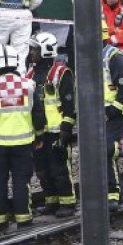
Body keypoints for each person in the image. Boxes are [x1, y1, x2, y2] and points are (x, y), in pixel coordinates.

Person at [0, 44, 43, 231]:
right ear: (17, 61)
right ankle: (23, 218)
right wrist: (39, 135)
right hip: (22, 142)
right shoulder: (28, 84)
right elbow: (38, 114)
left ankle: (0, 221)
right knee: (21, 180)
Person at [26, 33, 76, 217]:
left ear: (45, 51)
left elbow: (69, 105)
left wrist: (66, 130)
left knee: (59, 168)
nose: (32, 52)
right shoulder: (30, 74)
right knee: (42, 169)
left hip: (56, 131)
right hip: (39, 132)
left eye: (35, 49)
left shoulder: (61, 73)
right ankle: (51, 201)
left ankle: (68, 202)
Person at [101, 20, 123, 211]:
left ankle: (113, 194)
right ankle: (105, 192)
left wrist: (114, 108)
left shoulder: (112, 56)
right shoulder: (87, 56)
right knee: (98, 151)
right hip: (98, 113)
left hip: (115, 112)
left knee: (107, 149)